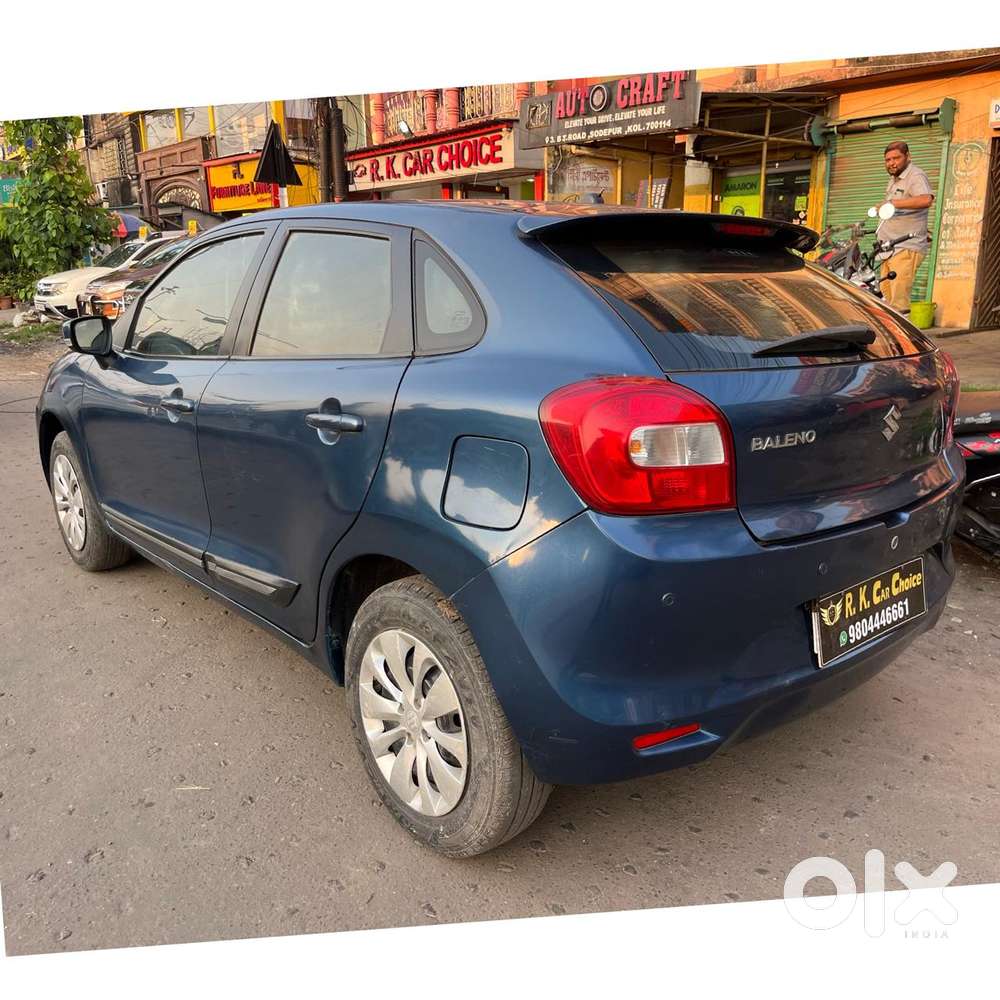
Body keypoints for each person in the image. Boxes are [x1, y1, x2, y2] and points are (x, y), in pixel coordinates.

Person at [877, 140, 935, 313]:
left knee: (898, 303)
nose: (892, 163)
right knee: (887, 297)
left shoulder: (915, 176)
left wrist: (894, 203)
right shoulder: (894, 180)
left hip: (905, 247)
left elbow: (926, 199)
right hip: (889, 248)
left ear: (908, 157)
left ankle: (902, 339)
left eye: (896, 158)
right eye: (888, 160)